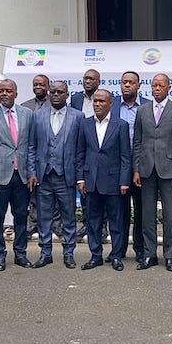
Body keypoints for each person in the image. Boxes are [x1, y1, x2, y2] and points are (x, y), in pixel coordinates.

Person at [133, 73, 172, 272]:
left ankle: (169, 255)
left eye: (161, 86)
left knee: (170, 215)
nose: (157, 89)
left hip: (169, 169)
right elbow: (137, 142)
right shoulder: (142, 110)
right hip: (146, 168)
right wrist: (136, 169)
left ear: (169, 88)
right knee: (147, 214)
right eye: (154, 85)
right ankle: (150, 255)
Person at [0, 79, 33, 271]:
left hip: (22, 175)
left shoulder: (27, 114)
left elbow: (30, 146)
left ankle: (20, 254)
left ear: (16, 94)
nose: (4, 94)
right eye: (1, 90)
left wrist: (31, 172)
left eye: (8, 91)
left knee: (21, 216)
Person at [28, 80, 83, 269]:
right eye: (53, 92)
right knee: (44, 217)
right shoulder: (38, 116)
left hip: (66, 176)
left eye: (60, 92)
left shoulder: (78, 116)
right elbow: (32, 146)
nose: (56, 95)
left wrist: (79, 176)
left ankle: (68, 253)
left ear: (67, 95)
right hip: (43, 176)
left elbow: (80, 150)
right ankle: (45, 253)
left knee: (68, 216)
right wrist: (32, 172)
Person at [76, 89, 130, 271]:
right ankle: (95, 256)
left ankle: (116, 256)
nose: (97, 104)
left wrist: (124, 181)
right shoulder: (85, 124)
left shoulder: (120, 125)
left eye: (101, 101)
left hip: (113, 181)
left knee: (116, 222)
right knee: (93, 222)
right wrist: (80, 179)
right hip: (91, 181)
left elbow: (125, 156)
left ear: (110, 104)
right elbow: (80, 153)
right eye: (95, 101)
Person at [110, 71, 149, 262]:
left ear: (138, 85)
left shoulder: (147, 106)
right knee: (119, 211)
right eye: (124, 82)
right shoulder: (112, 104)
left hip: (141, 166)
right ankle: (119, 250)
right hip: (117, 167)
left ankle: (140, 249)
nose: (127, 85)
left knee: (141, 211)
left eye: (131, 82)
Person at [71, 69, 103, 239]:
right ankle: (86, 223)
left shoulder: (105, 98)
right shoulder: (76, 98)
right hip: (82, 146)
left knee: (101, 189)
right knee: (84, 188)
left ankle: (103, 226)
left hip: (100, 147)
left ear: (99, 82)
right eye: (85, 78)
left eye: (91, 79)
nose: (88, 81)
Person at [22, 74, 52, 238]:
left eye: (41, 84)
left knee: (50, 193)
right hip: (31, 154)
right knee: (32, 191)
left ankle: (54, 224)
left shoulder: (54, 104)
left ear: (48, 86)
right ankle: (33, 222)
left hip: (50, 157)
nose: (38, 87)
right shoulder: (25, 106)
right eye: (35, 84)